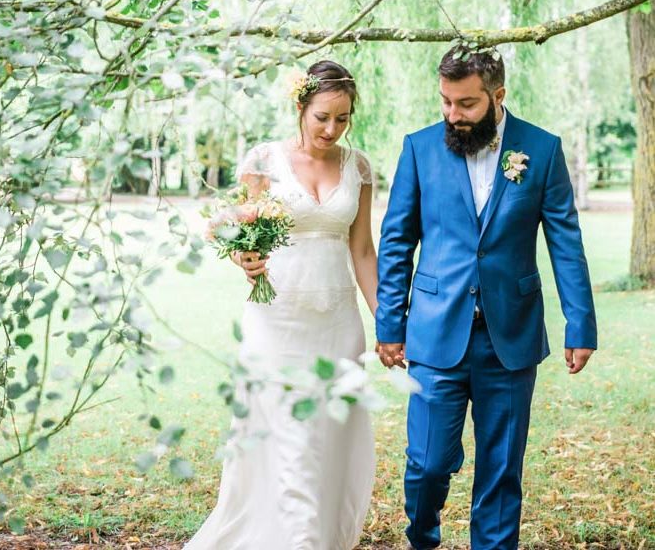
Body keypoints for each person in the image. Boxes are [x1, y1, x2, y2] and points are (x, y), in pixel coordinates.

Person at [375, 46, 598, 550]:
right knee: (428, 462)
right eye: (446, 102)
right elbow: (396, 241)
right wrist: (390, 324)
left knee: (501, 472)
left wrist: (580, 325)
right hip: (433, 333)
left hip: (511, 338)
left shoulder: (540, 150)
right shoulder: (419, 147)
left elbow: (566, 243)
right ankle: (423, 537)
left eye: (467, 104)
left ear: (498, 96)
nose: (453, 115)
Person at [184, 60, 377, 550]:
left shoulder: (358, 167)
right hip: (277, 319)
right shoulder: (265, 161)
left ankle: (321, 534)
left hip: (338, 321)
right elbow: (247, 235)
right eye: (322, 117)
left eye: (343, 118)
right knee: (287, 434)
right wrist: (245, 259)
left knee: (328, 437)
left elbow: (362, 250)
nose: (332, 129)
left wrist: (389, 323)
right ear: (300, 107)